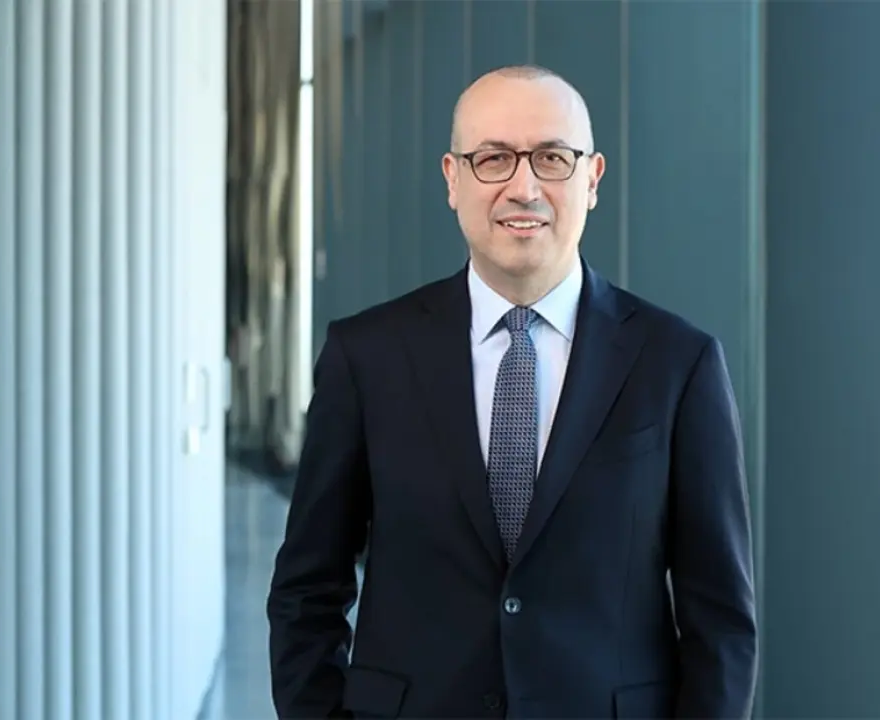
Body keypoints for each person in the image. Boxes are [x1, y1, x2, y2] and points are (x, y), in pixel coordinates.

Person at [267, 64, 757, 719]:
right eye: (493, 158)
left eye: (552, 158)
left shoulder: (678, 364)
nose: (523, 188)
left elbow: (720, 621)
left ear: (592, 179)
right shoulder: (366, 357)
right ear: (453, 179)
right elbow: (307, 590)